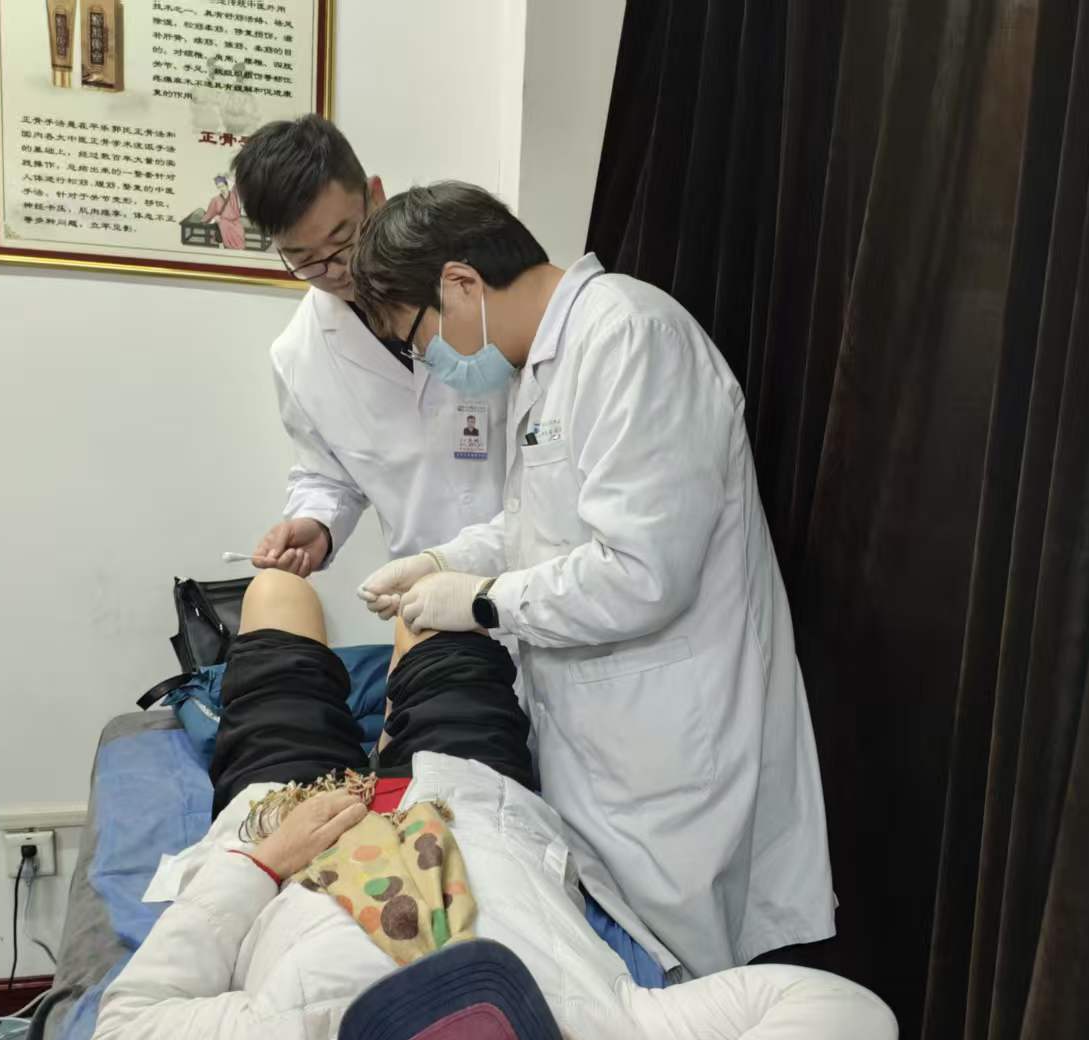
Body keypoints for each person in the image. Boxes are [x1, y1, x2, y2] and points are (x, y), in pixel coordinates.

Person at [89, 570, 895, 1040]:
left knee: (276, 592)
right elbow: (845, 1018)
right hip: (464, 793)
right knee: (429, 600)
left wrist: (259, 864)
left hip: (295, 819)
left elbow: (127, 1024)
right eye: (493, 1034)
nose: (439, 1005)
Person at [348, 183, 833, 976]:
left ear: (461, 284)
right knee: (629, 983)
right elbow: (536, 525)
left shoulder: (631, 338)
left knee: (687, 996)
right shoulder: (544, 366)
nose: (427, 364)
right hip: (602, 746)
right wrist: (445, 559)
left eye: (417, 339)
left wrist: (480, 602)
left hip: (671, 752)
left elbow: (644, 572)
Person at [230, 118, 508, 577]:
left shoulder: (474, 273)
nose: (337, 270)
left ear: (375, 196)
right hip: (428, 592)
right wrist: (317, 524)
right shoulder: (299, 355)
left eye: (344, 239)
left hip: (545, 571)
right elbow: (327, 473)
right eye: (304, 260)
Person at [203, 173, 246, 250]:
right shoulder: (215, 200)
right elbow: (209, 214)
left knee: (240, 232)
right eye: (219, 187)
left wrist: (230, 177)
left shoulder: (234, 195)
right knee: (222, 228)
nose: (221, 188)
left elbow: (239, 186)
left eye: (222, 186)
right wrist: (214, 218)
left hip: (235, 221)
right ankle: (225, 247)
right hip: (223, 222)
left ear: (227, 185)